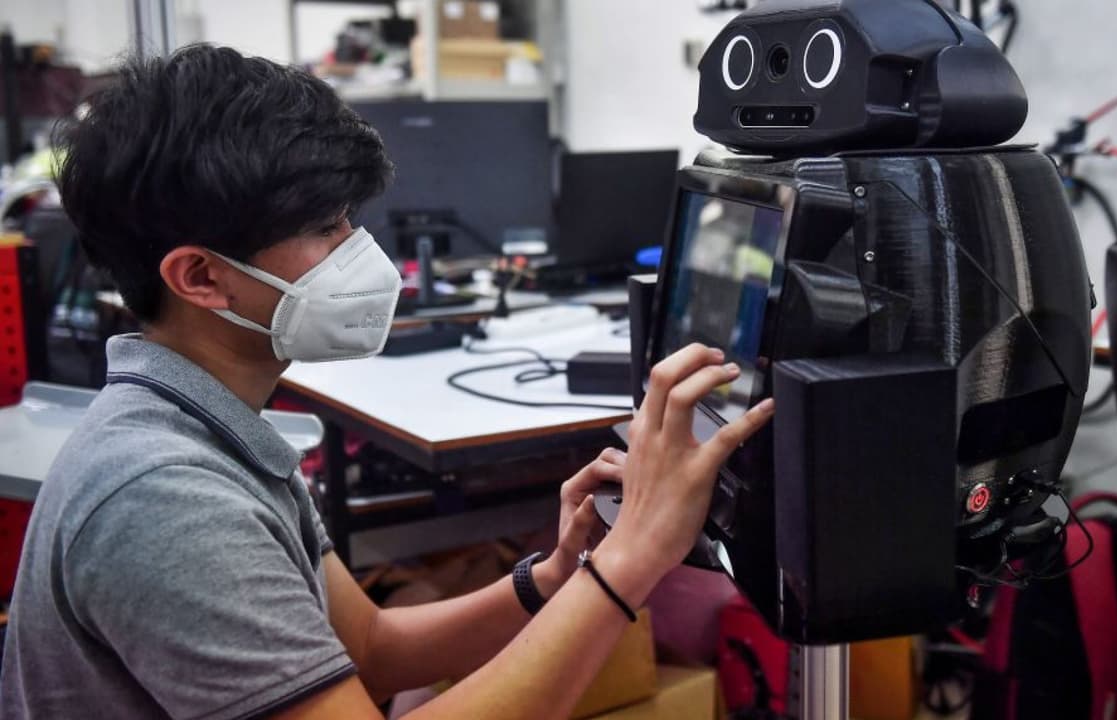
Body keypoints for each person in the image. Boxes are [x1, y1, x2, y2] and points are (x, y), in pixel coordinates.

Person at [0, 45, 774, 719]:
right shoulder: (165, 496)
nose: (358, 251)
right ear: (201, 276)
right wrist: (632, 560)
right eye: (324, 228)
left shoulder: (211, 426)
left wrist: (559, 575)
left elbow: (371, 646)